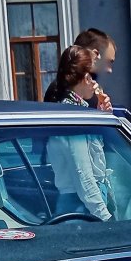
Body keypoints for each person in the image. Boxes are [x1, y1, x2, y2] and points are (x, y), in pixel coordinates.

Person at [44, 45, 113, 220]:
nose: (96, 83)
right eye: (92, 76)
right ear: (80, 77)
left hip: (85, 202)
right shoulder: (71, 116)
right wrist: (106, 218)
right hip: (81, 207)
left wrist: (103, 118)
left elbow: (95, 158)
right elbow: (83, 175)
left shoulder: (79, 111)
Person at [43, 28, 115, 110]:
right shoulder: (59, 91)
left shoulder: (88, 92)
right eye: (108, 61)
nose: (110, 70)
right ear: (94, 55)